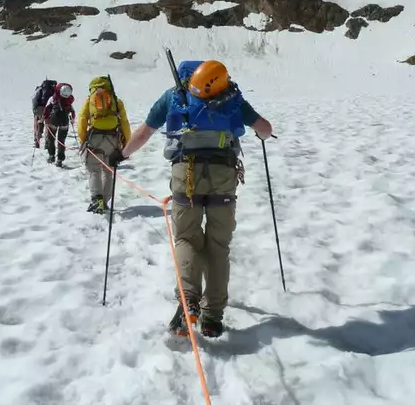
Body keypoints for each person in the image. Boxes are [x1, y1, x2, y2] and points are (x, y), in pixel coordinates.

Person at [116, 60, 272, 338]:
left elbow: (144, 133)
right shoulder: (232, 99)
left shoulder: (174, 96)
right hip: (223, 175)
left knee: (187, 237)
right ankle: (213, 316)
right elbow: (264, 128)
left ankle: (188, 300)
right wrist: (263, 134)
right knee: (218, 245)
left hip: (184, 173)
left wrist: (122, 155)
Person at [76, 76, 132, 214]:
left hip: (94, 138)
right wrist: (126, 143)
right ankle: (105, 201)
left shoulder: (89, 100)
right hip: (113, 139)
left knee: (94, 169)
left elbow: (82, 119)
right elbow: (124, 122)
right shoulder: (116, 101)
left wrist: (83, 140)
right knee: (108, 171)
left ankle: (97, 199)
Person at [43, 83, 76, 167]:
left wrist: (45, 118)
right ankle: (60, 160)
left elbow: (46, 109)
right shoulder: (69, 101)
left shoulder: (53, 99)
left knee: (51, 139)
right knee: (61, 141)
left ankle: (51, 156)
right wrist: (72, 120)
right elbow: (72, 111)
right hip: (64, 122)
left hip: (53, 121)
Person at [32, 79, 57, 148]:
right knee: (48, 126)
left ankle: (37, 142)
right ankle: (47, 143)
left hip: (39, 109)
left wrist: (34, 111)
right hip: (49, 109)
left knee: (38, 126)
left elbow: (34, 99)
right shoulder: (54, 89)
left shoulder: (39, 89)